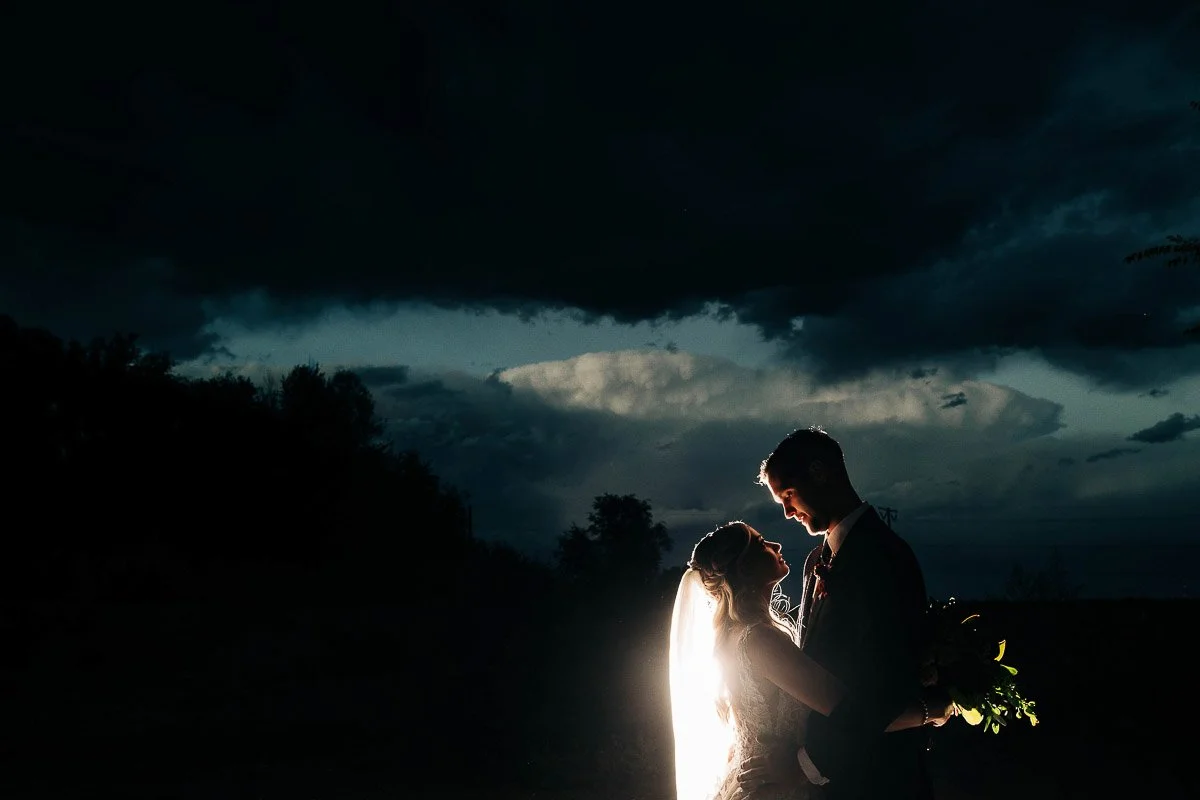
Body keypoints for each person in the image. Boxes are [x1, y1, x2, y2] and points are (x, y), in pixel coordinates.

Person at [670, 521, 952, 800]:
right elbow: (850, 712)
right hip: (774, 786)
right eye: (761, 543)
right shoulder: (759, 640)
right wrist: (932, 710)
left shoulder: (734, 635)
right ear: (744, 568)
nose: (776, 545)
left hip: (753, 779)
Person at [737, 426, 944, 800]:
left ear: (820, 472)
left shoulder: (885, 555)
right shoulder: (816, 561)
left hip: (881, 780)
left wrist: (805, 767)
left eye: (788, 494)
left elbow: (884, 689)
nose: (786, 513)